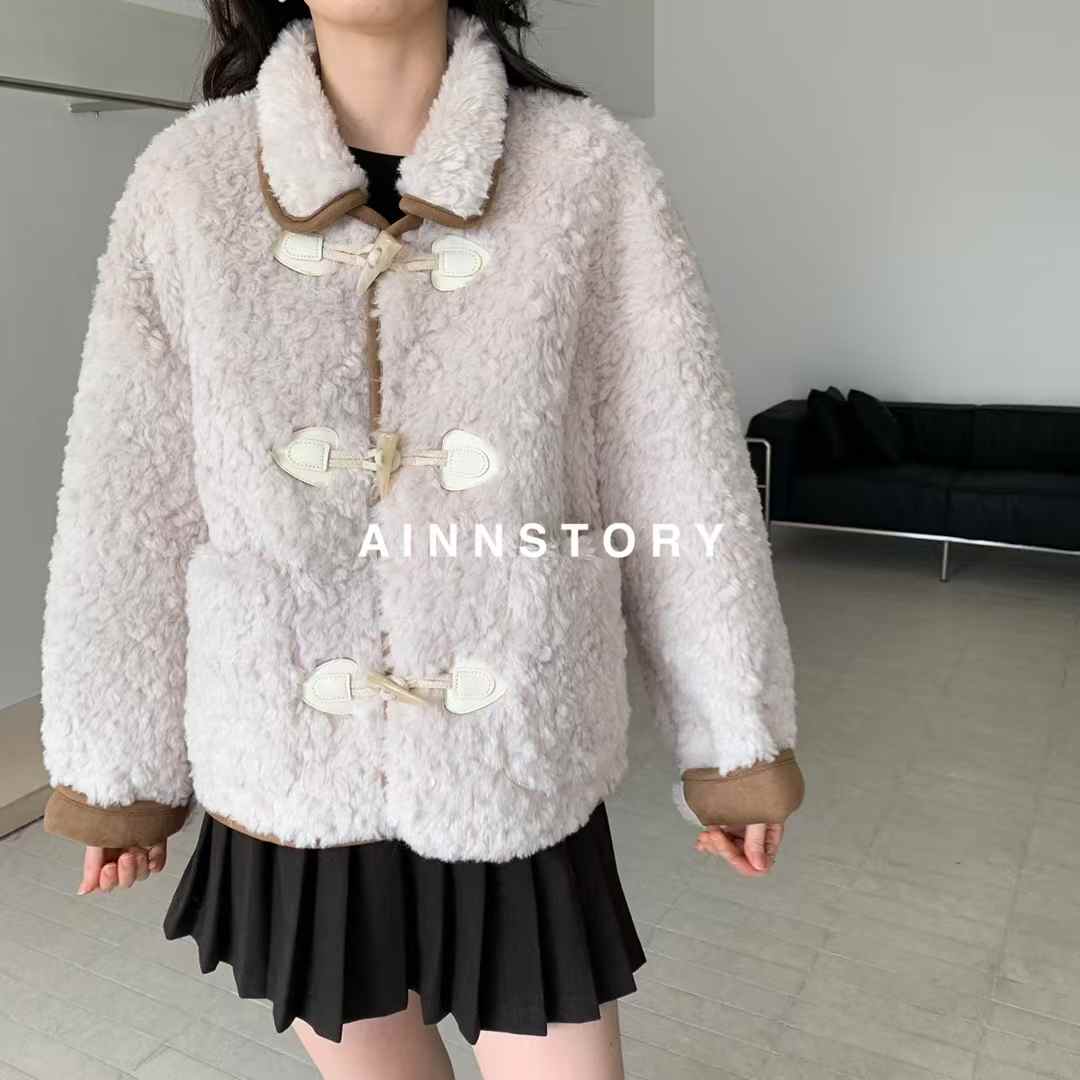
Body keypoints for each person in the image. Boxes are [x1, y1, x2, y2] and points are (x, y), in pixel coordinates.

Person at [37, 1, 805, 1077]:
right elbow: (130, 496)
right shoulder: (188, 181)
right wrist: (117, 769)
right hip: (291, 769)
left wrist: (733, 738)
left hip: (515, 762)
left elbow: (673, 456)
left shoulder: (587, 168)